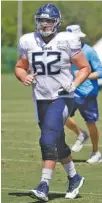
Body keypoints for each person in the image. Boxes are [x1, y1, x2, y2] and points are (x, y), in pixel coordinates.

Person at [15, 4, 91, 201]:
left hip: (63, 97)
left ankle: (44, 185)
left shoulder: (67, 40)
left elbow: (84, 67)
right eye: (41, 20)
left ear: (56, 22)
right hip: (41, 97)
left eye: (49, 20)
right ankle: (74, 177)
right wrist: (23, 76)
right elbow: (20, 66)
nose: (45, 24)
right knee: (56, 140)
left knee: (47, 138)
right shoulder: (28, 41)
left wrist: (74, 84)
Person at [65, 25, 102, 163]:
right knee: (62, 116)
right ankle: (81, 134)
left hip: (88, 93)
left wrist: (84, 75)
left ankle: (96, 153)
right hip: (71, 91)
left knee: (90, 122)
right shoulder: (65, 51)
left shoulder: (89, 51)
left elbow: (101, 71)